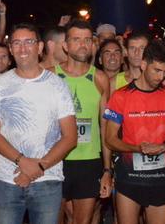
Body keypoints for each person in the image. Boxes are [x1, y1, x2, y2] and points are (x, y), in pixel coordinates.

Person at [0, 24, 78, 224]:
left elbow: (70, 137)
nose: (22, 48)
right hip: (7, 180)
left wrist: (39, 165)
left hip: (47, 179)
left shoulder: (58, 85)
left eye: (29, 42)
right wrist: (22, 161)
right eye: (16, 43)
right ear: (10, 49)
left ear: (40, 46)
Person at [102, 40, 165, 224]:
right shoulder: (121, 96)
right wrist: (138, 149)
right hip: (129, 178)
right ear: (143, 65)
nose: (161, 77)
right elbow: (110, 139)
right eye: (156, 70)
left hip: (161, 178)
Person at [55, 22, 112, 224]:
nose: (83, 44)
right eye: (76, 39)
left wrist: (107, 170)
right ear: (65, 45)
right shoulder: (51, 76)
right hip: (55, 161)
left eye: (87, 39)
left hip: (89, 162)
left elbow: (106, 127)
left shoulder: (100, 78)